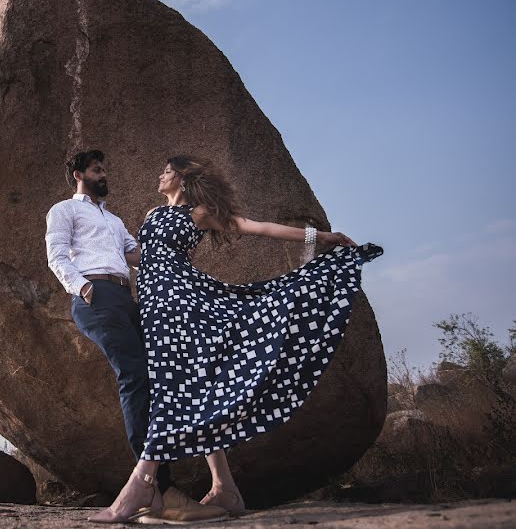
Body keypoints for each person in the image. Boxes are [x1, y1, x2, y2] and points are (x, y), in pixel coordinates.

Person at [91, 155, 384, 523]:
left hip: (180, 303)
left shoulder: (198, 214)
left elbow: (255, 227)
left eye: (167, 170)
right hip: (154, 303)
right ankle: (225, 487)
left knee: (172, 386)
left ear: (182, 179)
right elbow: (141, 257)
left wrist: (319, 236)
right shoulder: (152, 214)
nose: (160, 174)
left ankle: (141, 482)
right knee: (197, 384)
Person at [45, 151, 228, 524]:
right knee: (134, 376)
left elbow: (139, 255)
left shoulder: (113, 220)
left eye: (104, 167)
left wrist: (178, 250)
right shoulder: (65, 210)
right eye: (98, 169)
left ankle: (156, 491)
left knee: (158, 376)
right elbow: (56, 255)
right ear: (80, 174)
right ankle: (156, 490)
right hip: (96, 295)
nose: (104, 173)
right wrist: (82, 288)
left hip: (126, 299)